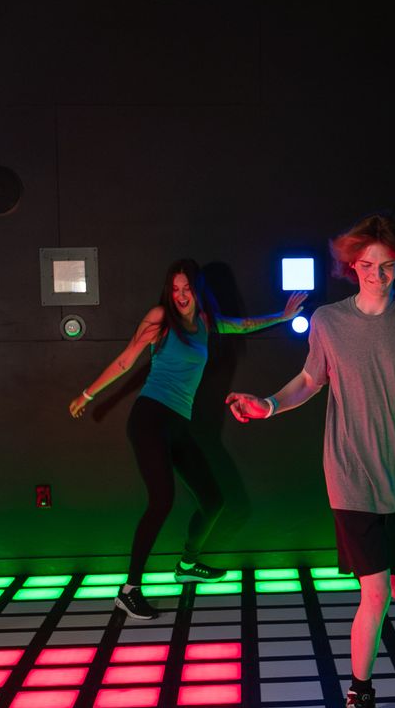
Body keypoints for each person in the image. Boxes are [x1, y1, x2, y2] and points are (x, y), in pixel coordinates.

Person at [226, 212, 395, 708]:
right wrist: (266, 404)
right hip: (352, 475)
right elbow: (311, 379)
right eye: (366, 266)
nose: (376, 275)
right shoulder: (330, 322)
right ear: (351, 266)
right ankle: (359, 700)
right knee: (375, 594)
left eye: (386, 267)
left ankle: (371, 660)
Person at [69, 259, 304, 620]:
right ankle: (129, 590)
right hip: (150, 418)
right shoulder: (160, 318)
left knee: (213, 500)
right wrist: (88, 394)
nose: (180, 295)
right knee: (161, 500)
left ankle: (187, 565)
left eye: (187, 288)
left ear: (197, 290)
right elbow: (125, 360)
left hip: (178, 423)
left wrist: (283, 316)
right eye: (175, 289)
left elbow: (244, 326)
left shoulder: (206, 323)